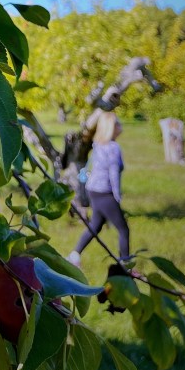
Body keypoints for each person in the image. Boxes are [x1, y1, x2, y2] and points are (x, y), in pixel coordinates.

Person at [68, 110, 130, 267]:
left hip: (93, 191)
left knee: (95, 225)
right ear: (111, 127)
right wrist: (116, 195)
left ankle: (74, 255)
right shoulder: (113, 148)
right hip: (105, 192)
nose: (120, 125)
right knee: (123, 229)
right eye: (117, 123)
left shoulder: (98, 146)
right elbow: (113, 173)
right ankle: (125, 265)